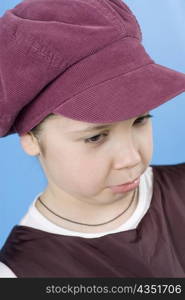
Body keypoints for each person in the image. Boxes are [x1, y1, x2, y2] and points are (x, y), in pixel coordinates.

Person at [0, 0, 185, 278]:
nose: (132, 158)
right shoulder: (20, 274)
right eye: (96, 137)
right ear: (30, 139)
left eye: (140, 120)